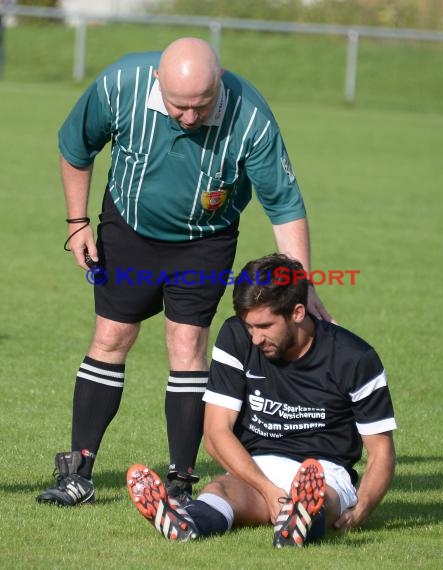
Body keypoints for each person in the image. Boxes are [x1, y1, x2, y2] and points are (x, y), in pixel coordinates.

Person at [37, 38, 332, 507]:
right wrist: (77, 223)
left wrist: (302, 282)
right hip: (129, 229)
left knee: (188, 343)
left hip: (205, 240)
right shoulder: (120, 84)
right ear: (158, 81)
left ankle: (180, 480)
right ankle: (78, 472)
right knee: (111, 335)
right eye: (179, 106)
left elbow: (283, 203)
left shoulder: (250, 116)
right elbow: (75, 146)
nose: (191, 117)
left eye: (201, 105)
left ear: (219, 83)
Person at [126, 254, 396, 547]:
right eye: (250, 326)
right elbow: (216, 434)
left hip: (324, 470)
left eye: (265, 326)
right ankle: (187, 522)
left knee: (322, 498)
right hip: (256, 466)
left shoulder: (354, 358)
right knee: (221, 490)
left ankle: (304, 517)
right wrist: (269, 491)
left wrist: (362, 509)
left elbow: (380, 450)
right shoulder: (235, 336)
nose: (255, 338)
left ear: (297, 312)